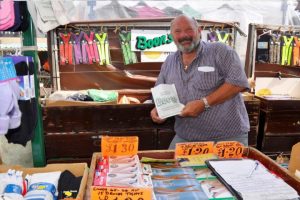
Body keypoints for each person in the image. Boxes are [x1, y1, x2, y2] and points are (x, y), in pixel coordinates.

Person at [150, 15, 250, 149]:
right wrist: (160, 109)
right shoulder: (169, 62)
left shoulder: (220, 51)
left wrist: (204, 103)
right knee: (171, 167)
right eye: (178, 31)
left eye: (189, 30)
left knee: (226, 171)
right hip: (186, 137)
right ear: (172, 35)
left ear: (199, 30)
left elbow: (238, 83)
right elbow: (162, 91)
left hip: (226, 138)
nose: (184, 35)